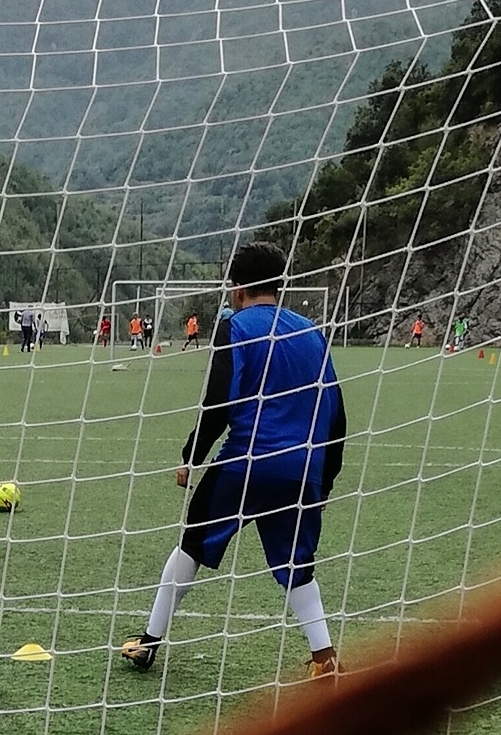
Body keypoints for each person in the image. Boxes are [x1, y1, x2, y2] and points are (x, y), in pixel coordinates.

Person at [122, 241, 347, 679]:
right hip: (301, 470)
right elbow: (336, 414)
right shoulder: (312, 332)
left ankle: (148, 642)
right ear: (278, 286)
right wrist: (325, 481)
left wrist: (191, 456)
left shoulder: (235, 326)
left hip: (245, 464)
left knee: (192, 543)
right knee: (298, 566)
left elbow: (219, 401)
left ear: (238, 288)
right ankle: (326, 659)